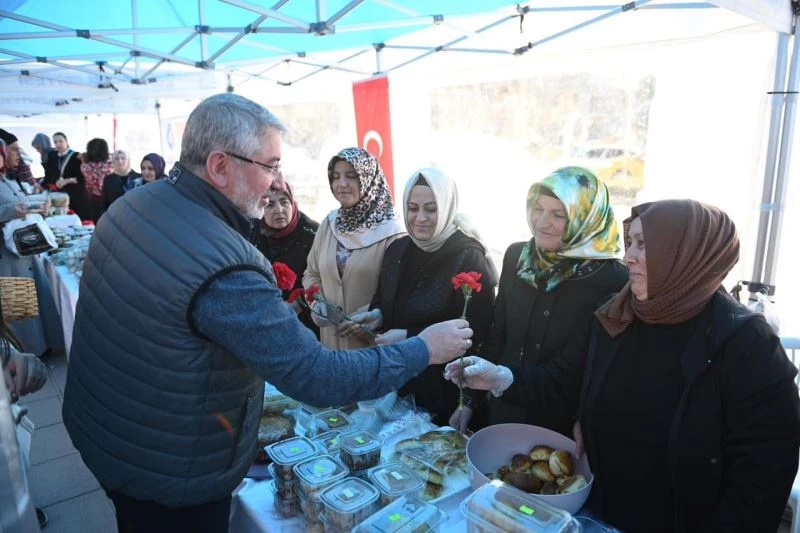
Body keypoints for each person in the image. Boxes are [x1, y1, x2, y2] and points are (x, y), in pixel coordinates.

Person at [61, 93, 472, 533]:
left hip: (112, 432)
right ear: (220, 166)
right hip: (171, 468)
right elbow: (317, 377)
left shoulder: (133, 205)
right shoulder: (224, 264)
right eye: (271, 165)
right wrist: (421, 349)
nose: (278, 181)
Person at [446, 199, 800, 533]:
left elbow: (764, 473)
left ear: (686, 255)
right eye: (630, 242)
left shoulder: (745, 344)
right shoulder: (616, 313)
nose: (628, 256)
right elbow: (561, 382)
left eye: (643, 245)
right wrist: (500, 377)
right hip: (601, 512)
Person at [343, 167, 497, 428]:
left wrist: (406, 335)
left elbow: (476, 331)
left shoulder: (468, 256)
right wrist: (377, 314)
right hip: (398, 382)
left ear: (447, 207)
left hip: (443, 390)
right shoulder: (398, 249)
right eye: (413, 208)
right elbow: (385, 296)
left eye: (431, 209)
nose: (420, 218)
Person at [481, 167, 627, 435]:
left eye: (559, 215)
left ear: (586, 219)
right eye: (538, 209)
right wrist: (470, 399)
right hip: (504, 408)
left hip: (562, 425)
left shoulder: (612, 279)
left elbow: (605, 370)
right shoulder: (517, 257)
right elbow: (497, 334)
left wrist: (585, 419)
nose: (541, 222)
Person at [303, 147, 405, 350]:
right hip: (331, 349)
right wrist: (317, 303)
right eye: (336, 176)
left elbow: (400, 293)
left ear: (368, 180)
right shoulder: (329, 224)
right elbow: (311, 274)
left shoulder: (393, 233)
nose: (341, 184)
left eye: (351, 176)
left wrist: (372, 314)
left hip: (372, 349)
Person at [0, 141, 65, 357]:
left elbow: (21, 201)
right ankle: (28, 353)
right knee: (19, 303)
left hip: (23, 250)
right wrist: (11, 210)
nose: (15, 155)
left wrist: (37, 204)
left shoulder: (5, 179)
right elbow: (10, 208)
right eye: (11, 151)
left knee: (32, 301)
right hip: (7, 257)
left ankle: (42, 346)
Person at [255, 180, 319, 335]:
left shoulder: (313, 234)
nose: (279, 210)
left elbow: (321, 279)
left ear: (293, 203)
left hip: (306, 323)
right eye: (270, 204)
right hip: (264, 321)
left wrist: (300, 303)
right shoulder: (253, 232)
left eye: (284, 202)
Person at [43, 132, 90, 220]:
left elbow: (83, 177)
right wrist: (51, 183)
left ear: (66, 141)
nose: (58, 144)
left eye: (60, 141)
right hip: (59, 197)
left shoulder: (76, 156)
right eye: (55, 142)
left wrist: (67, 180)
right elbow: (48, 174)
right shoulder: (52, 156)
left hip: (75, 195)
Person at [80, 138, 114, 220]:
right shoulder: (111, 164)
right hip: (110, 199)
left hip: (93, 200)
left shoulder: (85, 166)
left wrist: (82, 159)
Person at [0, 129, 37, 193]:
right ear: (3, 151)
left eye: (19, 149)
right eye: (14, 149)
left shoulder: (10, 174)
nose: (19, 154)